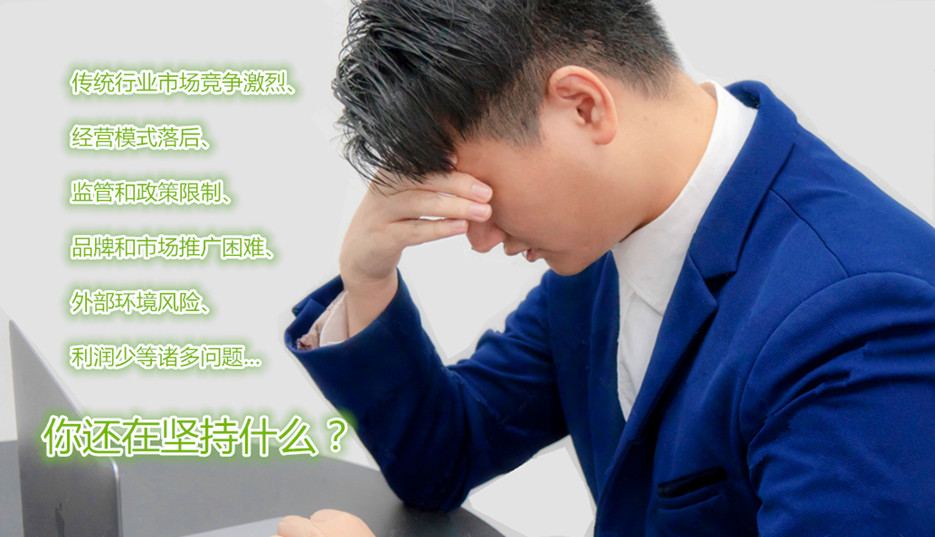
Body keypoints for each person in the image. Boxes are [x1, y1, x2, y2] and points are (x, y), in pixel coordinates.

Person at [280, 0, 935, 535]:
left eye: (481, 191)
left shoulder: (858, 316)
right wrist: (367, 276)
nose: (478, 237)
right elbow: (444, 457)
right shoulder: (609, 244)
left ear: (583, 105)